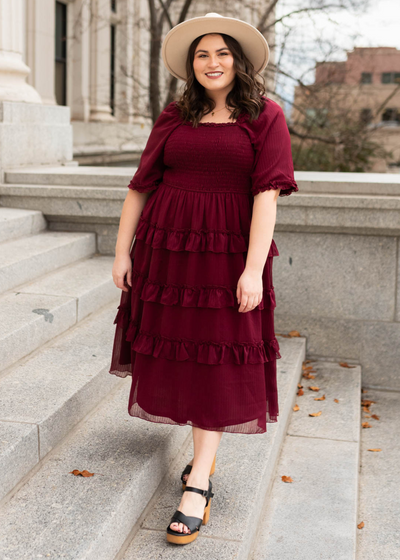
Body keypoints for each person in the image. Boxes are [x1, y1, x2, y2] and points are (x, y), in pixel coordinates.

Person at [108, 12, 298, 546]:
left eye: (221, 53)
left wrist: (253, 269)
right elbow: (139, 187)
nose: (212, 63)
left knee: (214, 357)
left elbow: (267, 198)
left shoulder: (266, 117)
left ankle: (199, 480)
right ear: (191, 66)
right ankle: (198, 466)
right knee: (180, 353)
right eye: (201, 55)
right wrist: (123, 252)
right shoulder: (174, 114)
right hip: (167, 252)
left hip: (225, 255)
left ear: (238, 61)